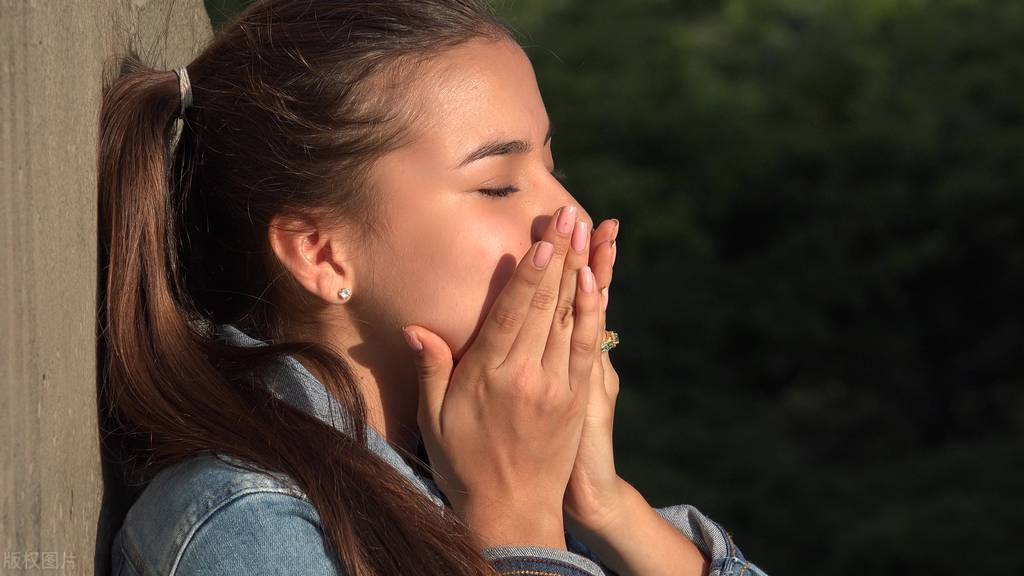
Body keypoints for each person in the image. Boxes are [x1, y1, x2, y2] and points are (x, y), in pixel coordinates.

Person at [98, 1, 769, 574]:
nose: (575, 221)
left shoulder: (478, 477)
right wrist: (517, 522)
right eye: (498, 185)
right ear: (321, 254)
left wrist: (601, 503)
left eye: (552, 166)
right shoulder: (244, 530)